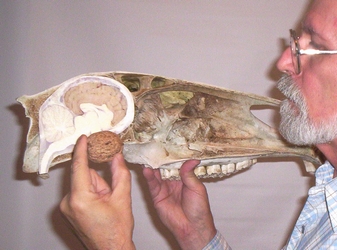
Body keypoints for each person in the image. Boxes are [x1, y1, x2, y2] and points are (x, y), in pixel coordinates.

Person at [60, 0, 337, 248]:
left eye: (316, 46)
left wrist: (112, 244)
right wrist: (196, 236)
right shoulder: (328, 193)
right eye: (299, 39)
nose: (283, 61)